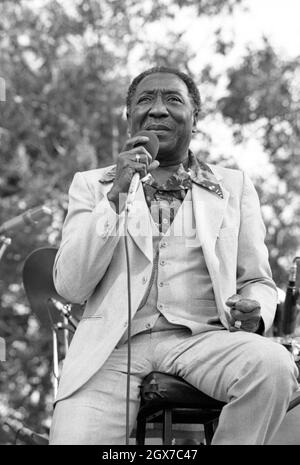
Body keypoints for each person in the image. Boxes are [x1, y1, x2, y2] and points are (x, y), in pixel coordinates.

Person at [49, 66, 299, 445]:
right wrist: (114, 196)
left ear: (194, 118)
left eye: (173, 100)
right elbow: (70, 285)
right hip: (111, 350)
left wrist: (254, 310)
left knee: (274, 366)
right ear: (129, 116)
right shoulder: (92, 184)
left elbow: (257, 281)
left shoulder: (234, 186)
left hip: (202, 339)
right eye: (145, 100)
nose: (158, 110)